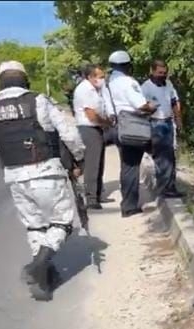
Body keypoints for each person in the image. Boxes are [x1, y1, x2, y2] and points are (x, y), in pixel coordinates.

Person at [0, 61, 86, 301]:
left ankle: (44, 280)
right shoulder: (39, 100)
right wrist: (79, 157)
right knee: (62, 223)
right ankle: (40, 263)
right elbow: (69, 133)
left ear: (1, 82)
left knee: (35, 226)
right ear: (24, 80)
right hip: (46, 172)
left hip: (15, 177)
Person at [102, 50, 159, 217]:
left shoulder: (108, 84)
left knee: (127, 166)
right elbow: (140, 105)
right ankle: (129, 206)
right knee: (133, 166)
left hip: (118, 126)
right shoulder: (128, 82)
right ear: (127, 65)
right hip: (132, 127)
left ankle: (127, 204)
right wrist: (152, 106)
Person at [140, 59, 184, 198]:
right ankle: (164, 188)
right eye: (159, 73)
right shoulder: (145, 88)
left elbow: (174, 101)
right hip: (155, 124)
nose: (162, 75)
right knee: (161, 157)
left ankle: (170, 186)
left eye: (164, 73)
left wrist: (178, 119)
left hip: (168, 122)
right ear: (152, 72)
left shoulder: (168, 84)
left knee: (170, 156)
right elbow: (141, 108)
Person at [73, 63, 113, 209]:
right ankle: (91, 199)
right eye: (100, 77)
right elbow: (91, 115)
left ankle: (98, 194)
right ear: (90, 77)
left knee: (99, 163)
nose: (102, 79)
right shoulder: (85, 90)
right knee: (92, 164)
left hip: (96, 129)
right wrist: (106, 123)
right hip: (89, 129)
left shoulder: (95, 89)